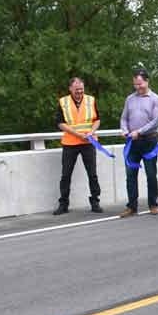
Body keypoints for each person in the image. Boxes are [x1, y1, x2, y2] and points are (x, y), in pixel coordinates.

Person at [53, 77, 103, 215]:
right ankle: (63, 204)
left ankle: (95, 202)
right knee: (66, 175)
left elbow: (97, 119)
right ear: (70, 89)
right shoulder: (63, 102)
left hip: (88, 142)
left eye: (81, 89)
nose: (79, 92)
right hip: (70, 143)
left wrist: (92, 132)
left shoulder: (90, 100)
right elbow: (60, 123)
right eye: (76, 90)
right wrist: (77, 134)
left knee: (92, 174)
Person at [119, 69, 158, 218]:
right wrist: (124, 129)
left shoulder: (155, 99)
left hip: (149, 140)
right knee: (130, 174)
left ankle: (153, 204)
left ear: (147, 81)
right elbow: (124, 118)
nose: (138, 87)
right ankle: (132, 206)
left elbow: (156, 121)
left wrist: (140, 131)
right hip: (132, 141)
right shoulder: (130, 99)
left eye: (140, 84)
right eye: (135, 84)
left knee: (151, 173)